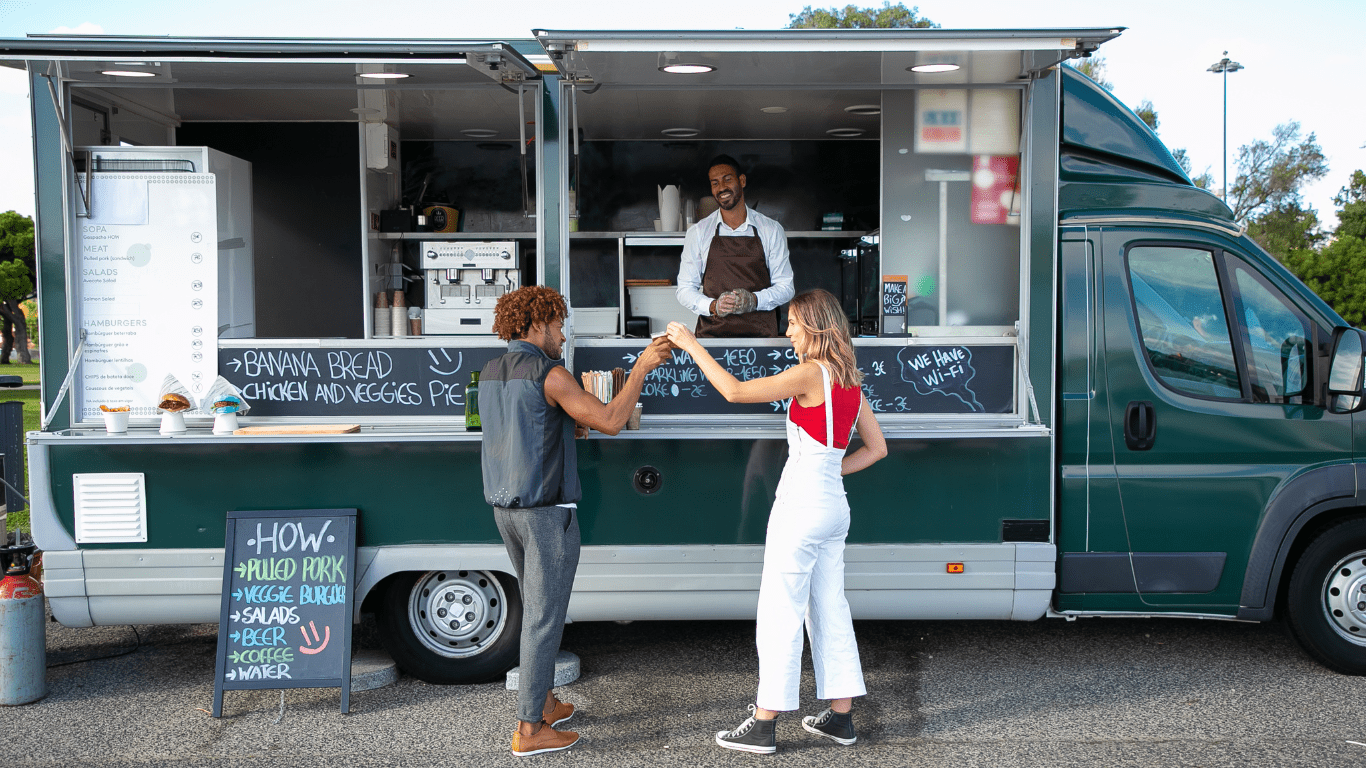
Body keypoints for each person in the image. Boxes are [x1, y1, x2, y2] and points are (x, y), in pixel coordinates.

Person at [666, 288, 887, 754]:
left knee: (780, 611)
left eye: (792, 322)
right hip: (833, 505)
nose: (787, 332)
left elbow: (734, 391)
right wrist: (829, 469)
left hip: (801, 505)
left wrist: (692, 344)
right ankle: (841, 718)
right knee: (829, 607)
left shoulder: (809, 374)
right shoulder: (850, 380)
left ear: (815, 325)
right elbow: (876, 449)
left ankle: (765, 723)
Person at [480, 285, 671, 757]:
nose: (563, 334)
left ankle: (542, 701)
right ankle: (529, 731)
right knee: (545, 617)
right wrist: (641, 370)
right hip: (546, 512)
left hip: (506, 509)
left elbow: (526, 429)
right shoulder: (550, 373)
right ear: (537, 324)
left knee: (536, 609)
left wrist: (567, 424)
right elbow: (609, 419)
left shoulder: (490, 372)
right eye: (559, 325)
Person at [675, 154, 795, 338]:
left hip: (761, 340)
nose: (721, 188)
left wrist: (754, 300)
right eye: (715, 183)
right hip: (712, 339)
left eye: (727, 179)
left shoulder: (771, 230)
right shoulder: (699, 232)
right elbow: (684, 289)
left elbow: (786, 287)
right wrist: (714, 306)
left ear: (742, 180)